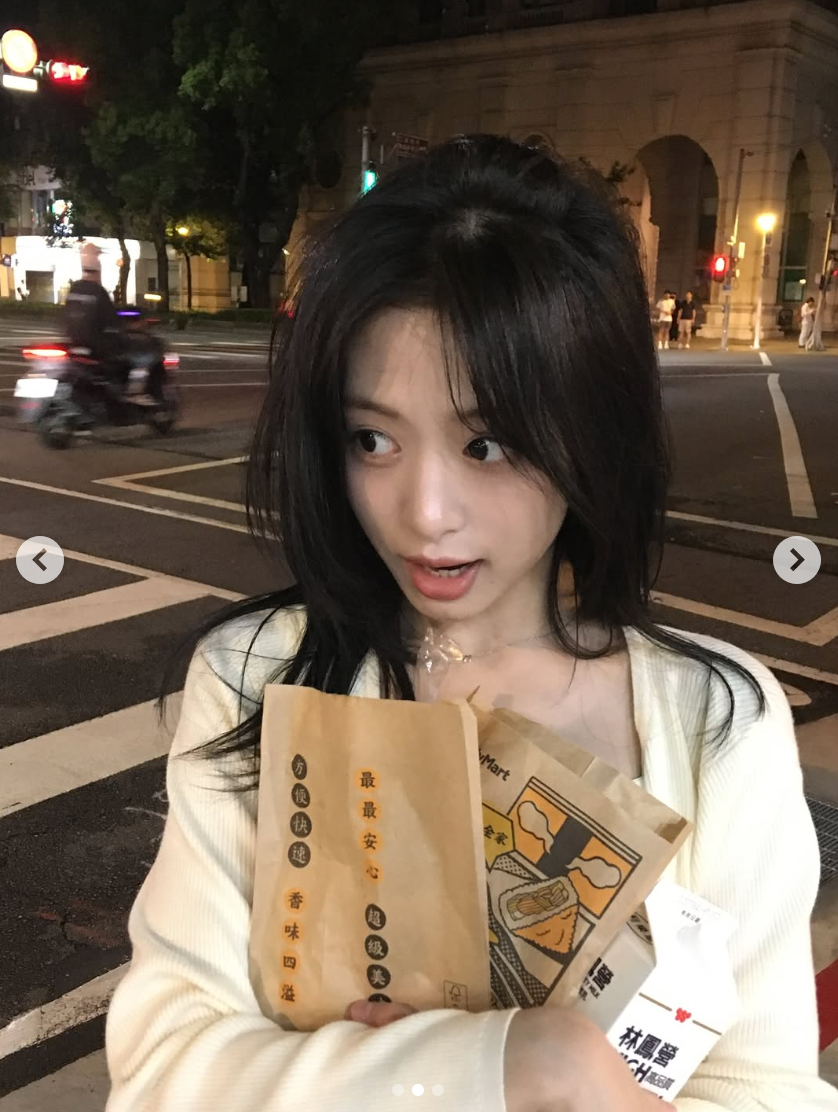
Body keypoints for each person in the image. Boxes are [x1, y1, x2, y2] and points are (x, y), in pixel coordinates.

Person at [104, 136, 837, 1112]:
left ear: (593, 430)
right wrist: (518, 1065)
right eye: (373, 437)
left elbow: (765, 1089)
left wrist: (557, 1081)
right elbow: (161, 1072)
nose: (425, 513)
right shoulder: (256, 677)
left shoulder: (716, 722)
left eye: (486, 444)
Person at [63, 244, 128, 399]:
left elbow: (65, 315)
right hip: (96, 346)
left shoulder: (75, 288)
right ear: (98, 271)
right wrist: (119, 332)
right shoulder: (98, 292)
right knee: (120, 366)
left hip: (73, 343)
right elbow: (111, 319)